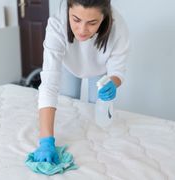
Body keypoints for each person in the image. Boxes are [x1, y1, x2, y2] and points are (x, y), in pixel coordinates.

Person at [33, 0, 129, 164]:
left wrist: (113, 82)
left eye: (92, 23)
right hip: (69, 65)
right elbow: (49, 84)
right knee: (69, 105)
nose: (82, 30)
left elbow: (117, 70)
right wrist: (45, 140)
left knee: (97, 116)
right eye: (76, 19)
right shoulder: (57, 24)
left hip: (100, 70)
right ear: (68, 10)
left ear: (105, 17)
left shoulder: (118, 26)